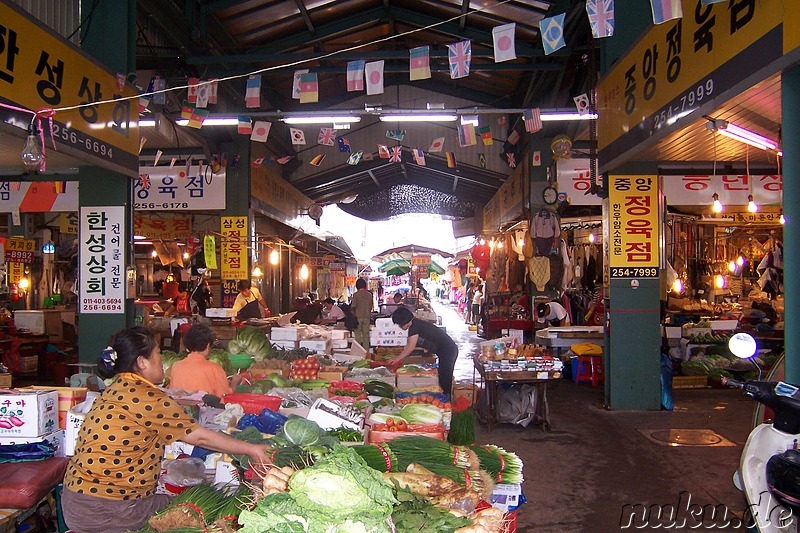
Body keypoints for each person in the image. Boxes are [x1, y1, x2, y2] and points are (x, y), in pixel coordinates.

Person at [61, 326, 269, 533]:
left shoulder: (114, 389)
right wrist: (252, 449)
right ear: (142, 362)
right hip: (111, 510)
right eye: (158, 353)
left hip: (75, 502)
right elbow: (200, 438)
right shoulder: (148, 398)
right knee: (195, 511)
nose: (161, 359)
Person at [389, 307, 457, 396]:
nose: (400, 327)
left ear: (404, 321)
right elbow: (411, 343)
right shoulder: (416, 323)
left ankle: (447, 400)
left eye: (400, 325)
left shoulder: (414, 326)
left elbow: (410, 347)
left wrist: (397, 358)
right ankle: (446, 397)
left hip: (448, 351)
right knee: (443, 376)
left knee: (445, 378)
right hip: (446, 351)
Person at [168, 324, 232, 397]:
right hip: (206, 408)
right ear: (208, 346)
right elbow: (224, 398)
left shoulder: (176, 366)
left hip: (179, 407)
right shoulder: (215, 369)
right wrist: (234, 384)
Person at [350, 278, 373, 349]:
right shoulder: (369, 295)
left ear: (357, 286)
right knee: (366, 336)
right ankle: (366, 352)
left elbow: (353, 306)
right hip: (367, 317)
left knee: (358, 336)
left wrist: (352, 313)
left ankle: (359, 352)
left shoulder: (356, 295)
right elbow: (371, 306)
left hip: (358, 317)